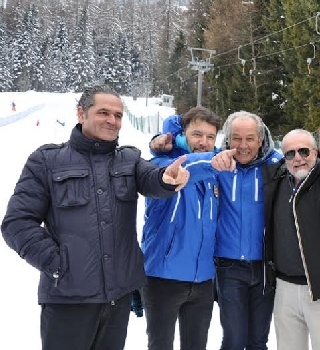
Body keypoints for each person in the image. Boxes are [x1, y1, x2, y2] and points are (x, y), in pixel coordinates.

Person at [1, 85, 190, 350]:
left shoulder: (130, 159)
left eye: (118, 115)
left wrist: (166, 179)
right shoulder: (46, 161)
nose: (112, 121)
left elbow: (151, 179)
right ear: (81, 113)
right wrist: (59, 265)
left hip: (117, 299)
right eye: (103, 112)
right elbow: (16, 223)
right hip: (68, 300)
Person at [141, 107, 222, 350]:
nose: (204, 142)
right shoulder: (161, 165)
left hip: (203, 279)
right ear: (182, 135)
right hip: (163, 276)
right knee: (160, 345)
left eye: (210, 137)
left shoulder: (215, 173)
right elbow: (189, 168)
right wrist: (170, 135)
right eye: (197, 134)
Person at [263, 129, 320, 350]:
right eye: (290, 154)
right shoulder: (276, 179)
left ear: (316, 152)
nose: (298, 158)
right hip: (284, 288)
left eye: (303, 151)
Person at [208, 111, 282, 350]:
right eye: (236, 138)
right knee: (234, 339)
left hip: (264, 267)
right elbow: (186, 151)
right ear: (227, 140)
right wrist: (161, 143)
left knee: (258, 341)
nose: (243, 146)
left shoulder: (276, 165)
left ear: (261, 140)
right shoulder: (217, 164)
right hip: (229, 266)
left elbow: (308, 161)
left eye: (249, 138)